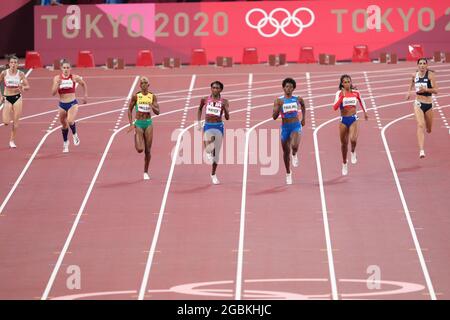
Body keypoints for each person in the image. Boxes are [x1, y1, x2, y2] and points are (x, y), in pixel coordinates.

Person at [332, 74, 368, 176]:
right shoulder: (339, 93)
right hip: (343, 120)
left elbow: (362, 101)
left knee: (353, 139)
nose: (347, 83)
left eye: (349, 81)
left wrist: (365, 112)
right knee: (344, 144)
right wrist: (341, 97)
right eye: (345, 82)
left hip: (353, 119)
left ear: (351, 82)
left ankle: (353, 151)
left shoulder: (356, 92)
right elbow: (334, 107)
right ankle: (344, 163)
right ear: (342, 84)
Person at [273, 78, 306, 185]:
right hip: (285, 128)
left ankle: (295, 154)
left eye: (291, 87)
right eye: (287, 86)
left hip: (296, 126)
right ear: (283, 88)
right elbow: (274, 117)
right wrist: (278, 109)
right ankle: (288, 173)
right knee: (285, 152)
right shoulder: (279, 100)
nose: (288, 89)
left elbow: (304, 106)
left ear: (293, 88)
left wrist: (304, 118)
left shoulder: (298, 99)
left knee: (294, 146)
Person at [196, 81, 230, 185]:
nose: (215, 89)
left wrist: (225, 110)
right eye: (213, 87)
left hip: (219, 126)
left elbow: (228, 118)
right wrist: (198, 122)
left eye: (217, 88)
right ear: (211, 88)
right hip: (208, 125)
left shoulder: (224, 101)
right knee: (208, 147)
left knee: (216, 155)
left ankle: (213, 174)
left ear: (221, 90)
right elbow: (199, 109)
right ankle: (208, 151)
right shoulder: (205, 99)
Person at [128, 76, 159, 180]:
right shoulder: (136, 96)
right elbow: (129, 109)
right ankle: (135, 134)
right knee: (140, 149)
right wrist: (130, 124)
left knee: (148, 151)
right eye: (142, 83)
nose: (144, 84)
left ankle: (145, 172)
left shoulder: (152, 96)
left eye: (146, 82)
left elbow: (158, 112)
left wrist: (152, 106)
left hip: (148, 123)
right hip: (139, 123)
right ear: (140, 85)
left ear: (148, 85)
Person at [52, 59, 87, 153]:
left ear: (70, 68)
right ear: (61, 68)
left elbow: (83, 84)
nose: (66, 69)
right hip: (62, 104)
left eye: (67, 68)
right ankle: (66, 142)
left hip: (72, 103)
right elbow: (53, 93)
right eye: (64, 68)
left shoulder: (74, 77)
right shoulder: (57, 78)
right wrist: (57, 85)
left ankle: (75, 134)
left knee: (70, 120)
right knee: (64, 125)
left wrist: (85, 95)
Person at [406, 58, 438, 158]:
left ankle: (428, 129)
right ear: (417, 65)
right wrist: (408, 92)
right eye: (420, 63)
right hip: (418, 103)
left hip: (429, 105)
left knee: (429, 129)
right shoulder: (414, 75)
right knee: (420, 125)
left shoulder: (430, 76)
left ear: (427, 65)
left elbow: (436, 90)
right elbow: (411, 83)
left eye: (424, 63)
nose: (422, 65)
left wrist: (426, 89)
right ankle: (421, 150)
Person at [0, 55, 30, 148]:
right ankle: (8, 113)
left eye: (15, 62)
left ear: (18, 64)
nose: (13, 64)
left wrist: (23, 87)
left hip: (17, 98)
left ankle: (12, 140)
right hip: (7, 98)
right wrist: (0, 96)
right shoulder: (4, 73)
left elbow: (28, 87)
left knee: (16, 122)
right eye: (12, 62)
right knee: (5, 122)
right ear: (9, 64)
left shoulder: (20, 74)